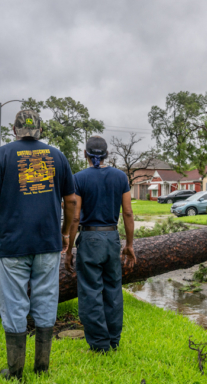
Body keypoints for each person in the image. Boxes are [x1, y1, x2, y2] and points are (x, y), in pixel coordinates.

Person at [0, 110, 77, 380]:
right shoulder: (58, 156)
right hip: (48, 242)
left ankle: (15, 371)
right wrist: (65, 233)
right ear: (40, 130)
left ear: (14, 129)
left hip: (13, 242)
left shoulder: (0, 156)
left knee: (14, 301)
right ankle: (41, 367)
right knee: (46, 299)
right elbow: (72, 202)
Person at [64, 135, 136, 353]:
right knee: (113, 289)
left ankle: (99, 344)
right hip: (112, 238)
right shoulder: (120, 177)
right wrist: (129, 245)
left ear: (85, 154)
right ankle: (114, 339)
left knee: (90, 291)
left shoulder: (79, 178)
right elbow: (128, 212)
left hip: (90, 238)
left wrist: (69, 248)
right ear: (106, 155)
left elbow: (75, 217)